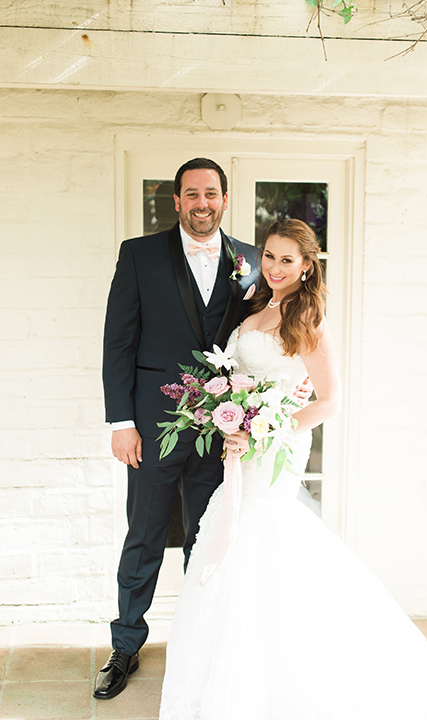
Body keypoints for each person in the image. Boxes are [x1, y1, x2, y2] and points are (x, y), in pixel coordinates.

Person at [158, 219, 427, 720]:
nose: (275, 267)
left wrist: (266, 429)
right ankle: (235, 676)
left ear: (308, 265)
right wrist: (227, 416)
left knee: (263, 538)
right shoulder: (252, 307)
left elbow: (329, 400)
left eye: (288, 259)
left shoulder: (307, 317)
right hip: (241, 446)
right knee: (232, 537)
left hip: (276, 448)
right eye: (269, 256)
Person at [95, 158, 263, 700]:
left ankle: (200, 640)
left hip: (222, 428)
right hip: (151, 425)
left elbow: (268, 338)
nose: (201, 203)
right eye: (191, 194)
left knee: (207, 537)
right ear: (176, 201)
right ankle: (125, 646)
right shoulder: (139, 255)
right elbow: (118, 342)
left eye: (210, 193)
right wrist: (122, 421)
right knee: (143, 534)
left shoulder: (253, 262)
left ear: (225, 198)